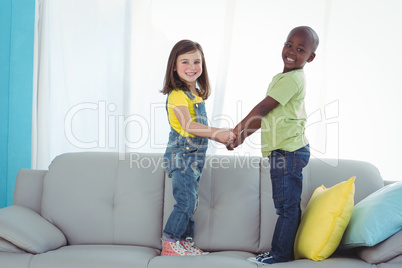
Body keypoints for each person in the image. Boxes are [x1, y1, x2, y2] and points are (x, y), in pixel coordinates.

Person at [228, 26, 319, 264]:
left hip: (288, 151)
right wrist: (242, 134)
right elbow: (265, 116)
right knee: (285, 206)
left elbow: (262, 109)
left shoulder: (293, 79)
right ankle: (281, 252)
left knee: (286, 208)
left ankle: (280, 255)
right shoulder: (286, 78)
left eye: (300, 49)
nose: (291, 51)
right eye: (289, 45)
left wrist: (239, 133)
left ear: (310, 57)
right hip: (285, 150)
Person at [161, 40, 236, 256]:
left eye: (197, 61)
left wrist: (224, 136)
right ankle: (170, 242)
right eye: (185, 62)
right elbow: (188, 125)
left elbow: (201, 129)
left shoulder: (197, 96)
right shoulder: (177, 95)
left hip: (194, 159)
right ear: (174, 67)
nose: (192, 67)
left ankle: (183, 242)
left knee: (192, 201)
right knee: (185, 200)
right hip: (181, 157)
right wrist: (217, 133)